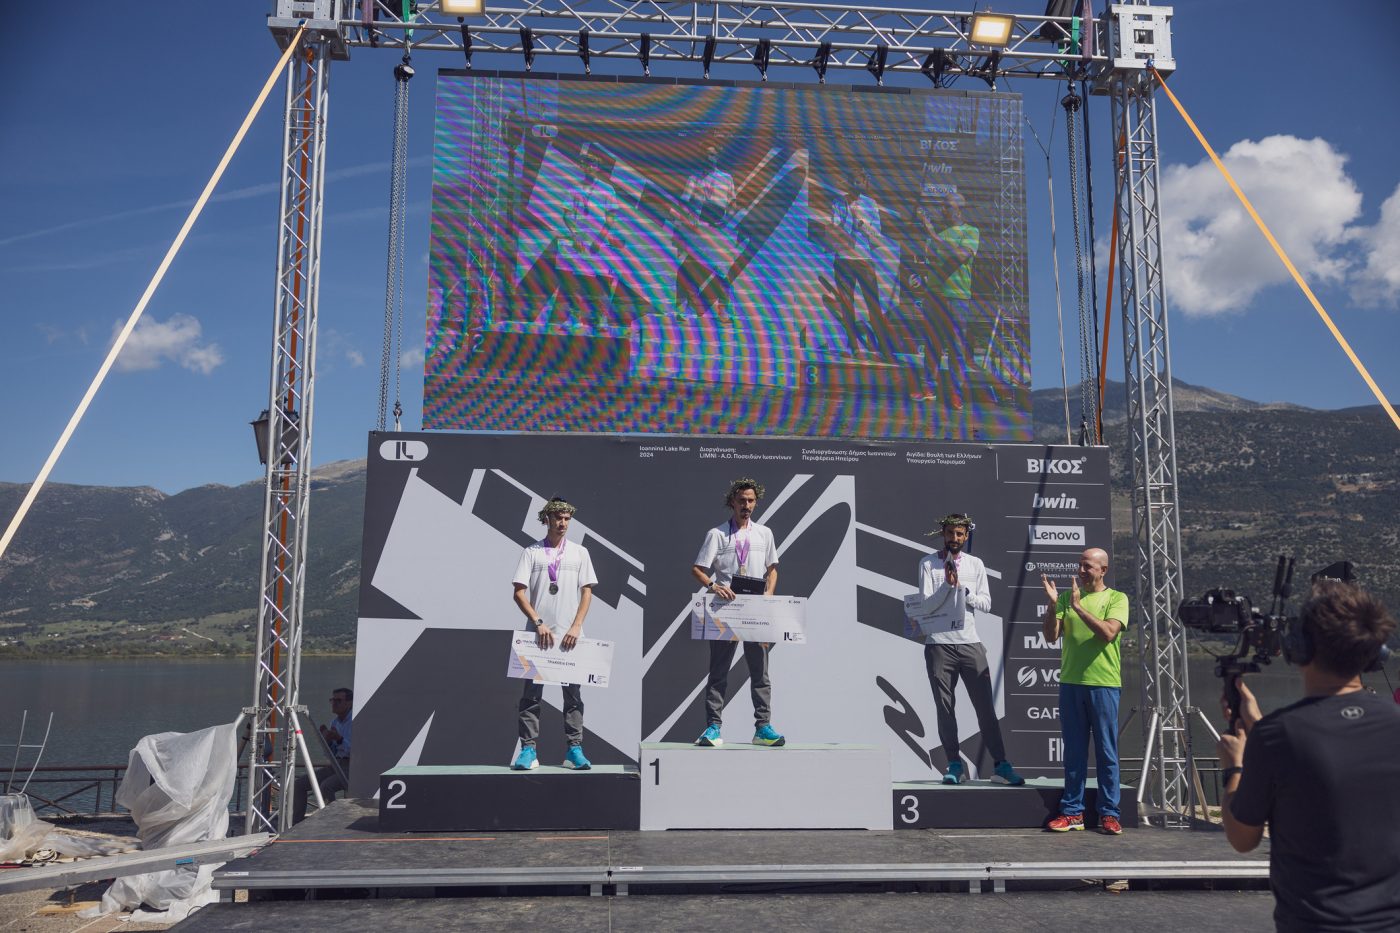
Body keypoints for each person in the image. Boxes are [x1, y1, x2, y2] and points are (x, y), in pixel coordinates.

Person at [1218, 580, 1400, 932]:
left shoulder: (1277, 736)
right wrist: (1259, 726)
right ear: (1375, 653)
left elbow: (1242, 838)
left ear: (1299, 647)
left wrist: (1235, 766)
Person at [911, 513, 1023, 786]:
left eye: (959, 534)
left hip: (970, 643)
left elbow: (986, 603)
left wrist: (963, 590)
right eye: (950, 533)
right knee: (945, 709)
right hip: (939, 645)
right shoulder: (928, 563)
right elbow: (925, 605)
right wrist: (947, 588)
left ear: (966, 535)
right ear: (943, 534)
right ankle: (954, 765)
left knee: (985, 709)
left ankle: (1001, 766)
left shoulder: (976, 564)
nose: (955, 538)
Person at [1040, 547, 1130, 834]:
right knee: (1074, 753)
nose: (1081, 570)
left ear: (1103, 570)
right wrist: (1053, 605)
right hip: (1071, 684)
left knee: (1106, 752)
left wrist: (1078, 608)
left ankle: (1109, 813)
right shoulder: (1066, 597)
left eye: (1087, 566)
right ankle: (1072, 812)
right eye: (1080, 565)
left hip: (1104, 684)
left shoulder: (1117, 598)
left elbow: (1108, 633)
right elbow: (1050, 636)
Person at [691, 477, 784, 748]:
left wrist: (768, 597)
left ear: (756, 503)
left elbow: (772, 569)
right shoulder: (717, 534)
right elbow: (698, 569)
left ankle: (763, 727)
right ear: (732, 502)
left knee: (760, 672)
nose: (747, 505)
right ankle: (713, 728)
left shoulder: (764, 533)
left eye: (751, 501)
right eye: (742, 500)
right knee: (719, 671)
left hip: (755, 610)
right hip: (726, 611)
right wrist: (713, 586)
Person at [511, 497, 598, 771]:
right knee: (531, 697)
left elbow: (587, 592)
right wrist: (538, 622)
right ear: (546, 519)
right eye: (558, 518)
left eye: (566, 519)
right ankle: (528, 750)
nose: (562, 523)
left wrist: (576, 626)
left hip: (570, 637)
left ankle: (574, 750)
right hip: (537, 637)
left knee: (573, 697)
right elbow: (519, 592)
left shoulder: (580, 552)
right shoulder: (531, 552)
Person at [911, 191, 980, 410]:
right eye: (942, 206)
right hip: (934, 296)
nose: (943, 210)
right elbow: (930, 263)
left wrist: (933, 235)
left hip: (957, 297)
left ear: (959, 209)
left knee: (956, 347)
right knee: (932, 345)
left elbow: (961, 256)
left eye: (947, 206)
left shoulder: (971, 231)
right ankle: (928, 388)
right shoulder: (939, 234)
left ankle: (955, 393)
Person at [826, 170, 898, 358]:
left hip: (864, 260)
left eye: (859, 182)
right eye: (853, 182)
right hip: (843, 260)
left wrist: (860, 222)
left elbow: (877, 237)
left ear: (865, 183)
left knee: (873, 305)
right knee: (846, 304)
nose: (856, 186)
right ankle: (853, 347)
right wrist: (841, 223)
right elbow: (834, 229)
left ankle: (884, 348)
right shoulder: (838, 202)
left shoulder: (870, 204)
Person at [550, 150, 620, 332]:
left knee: (600, 283)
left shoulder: (607, 189)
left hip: (598, 243)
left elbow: (610, 218)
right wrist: (575, 235)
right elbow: (566, 215)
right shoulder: (575, 188)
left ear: (597, 167)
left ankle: (601, 319)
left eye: (592, 164)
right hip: (579, 243)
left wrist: (599, 239)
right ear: (581, 166)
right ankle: (575, 317)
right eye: (586, 164)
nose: (589, 167)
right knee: (573, 281)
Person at [291, 687, 353, 823]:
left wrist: (339, 739)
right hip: (336, 764)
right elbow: (331, 753)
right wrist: (327, 741)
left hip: (352, 766)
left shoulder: (355, 721)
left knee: (326, 786)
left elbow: (355, 751)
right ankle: (296, 825)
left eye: (338, 700)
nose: (334, 704)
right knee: (299, 785)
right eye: (332, 700)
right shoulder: (334, 722)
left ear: (349, 703)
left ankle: (331, 822)